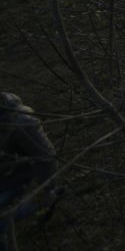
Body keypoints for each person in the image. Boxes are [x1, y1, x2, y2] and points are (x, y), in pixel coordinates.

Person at [0, 90, 57, 250]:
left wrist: (47, 189)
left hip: (14, 181)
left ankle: (34, 206)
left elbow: (46, 157)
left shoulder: (20, 122)